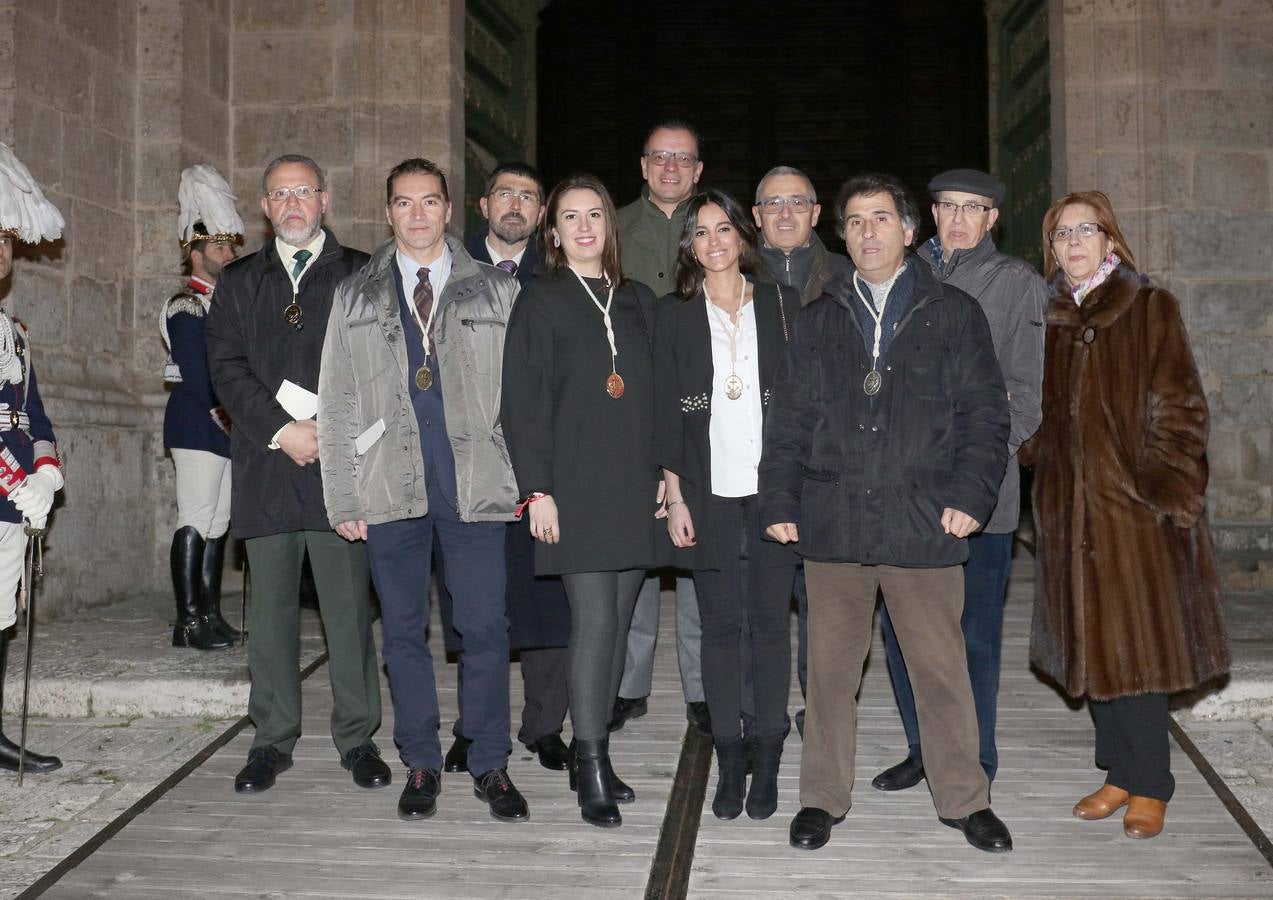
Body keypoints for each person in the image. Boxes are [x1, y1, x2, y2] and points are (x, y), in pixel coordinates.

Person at [760, 173, 1013, 854]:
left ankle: (965, 800)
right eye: (855, 221)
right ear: (841, 234)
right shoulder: (818, 317)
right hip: (834, 521)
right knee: (828, 673)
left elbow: (986, 416)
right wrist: (780, 499)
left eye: (881, 219)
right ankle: (820, 799)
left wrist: (970, 496)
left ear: (909, 231)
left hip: (922, 520)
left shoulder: (953, 312)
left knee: (941, 671)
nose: (867, 231)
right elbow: (788, 417)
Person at [318, 157, 528, 823]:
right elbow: (337, 399)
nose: (416, 215)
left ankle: (490, 760)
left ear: (447, 209)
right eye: (403, 203)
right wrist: (342, 497)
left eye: (429, 202)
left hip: (474, 486)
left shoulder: (495, 291)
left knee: (485, 627)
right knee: (403, 630)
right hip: (389, 488)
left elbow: (522, 394)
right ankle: (419, 759)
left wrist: (530, 480)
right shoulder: (356, 294)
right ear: (387, 213)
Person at [1023, 191, 1229, 839]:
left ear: (1110, 241)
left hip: (1133, 515)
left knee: (1135, 653)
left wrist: (1158, 492)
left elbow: (1181, 410)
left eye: (1087, 230)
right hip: (1070, 515)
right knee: (1093, 649)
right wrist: (1038, 457)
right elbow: (1051, 413)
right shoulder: (1058, 316)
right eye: (1062, 235)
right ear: (1051, 250)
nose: (1074, 242)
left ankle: (1151, 785)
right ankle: (1115, 772)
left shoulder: (1147, 307)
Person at [206, 153, 387, 795]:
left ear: (325, 199)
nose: (291, 205)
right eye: (279, 195)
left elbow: (378, 369)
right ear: (264, 207)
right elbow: (225, 367)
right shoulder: (237, 281)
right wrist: (285, 431)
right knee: (272, 617)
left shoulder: (363, 273)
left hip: (341, 472)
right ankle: (271, 739)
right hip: (267, 464)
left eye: (302, 192)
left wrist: (331, 436)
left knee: (346, 613)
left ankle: (358, 738)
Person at [874, 168, 1045, 793]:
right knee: (900, 630)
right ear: (932, 212)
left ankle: (973, 760)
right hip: (904, 492)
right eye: (947, 206)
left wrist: (978, 472)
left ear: (993, 218)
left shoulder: (1015, 283)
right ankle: (923, 747)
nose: (959, 219)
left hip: (981, 497)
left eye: (973, 209)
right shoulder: (904, 271)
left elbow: (1027, 396)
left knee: (972, 636)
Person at [502, 173, 662, 828]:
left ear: (609, 225)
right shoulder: (538, 300)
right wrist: (535, 490)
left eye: (594, 214)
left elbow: (652, 399)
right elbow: (522, 405)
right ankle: (587, 763)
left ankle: (599, 752)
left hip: (632, 486)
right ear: (554, 231)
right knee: (593, 626)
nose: (584, 227)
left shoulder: (638, 301)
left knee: (618, 627)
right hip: (571, 491)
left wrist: (666, 476)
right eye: (570, 217)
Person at [654, 189, 798, 821]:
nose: (713, 241)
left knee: (769, 627)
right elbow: (665, 414)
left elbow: (800, 410)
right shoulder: (675, 314)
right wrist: (676, 494)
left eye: (724, 229)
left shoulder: (782, 305)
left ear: (744, 235)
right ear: (690, 246)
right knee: (718, 630)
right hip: (707, 494)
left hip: (771, 494)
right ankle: (730, 757)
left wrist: (794, 493)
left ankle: (767, 752)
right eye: (701, 232)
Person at [438, 161, 570, 776]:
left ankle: (545, 725)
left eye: (529, 196)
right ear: (482, 205)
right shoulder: (445, 271)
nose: (516, 204)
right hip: (470, 462)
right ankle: (475, 725)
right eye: (505, 195)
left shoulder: (562, 275)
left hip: (542, 458)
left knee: (547, 594)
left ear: (542, 213)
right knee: (475, 600)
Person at [615, 119, 709, 736]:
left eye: (684, 158)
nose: (671, 167)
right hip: (627, 409)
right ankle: (628, 684)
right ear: (643, 166)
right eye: (660, 157)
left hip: (704, 409)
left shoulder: (720, 228)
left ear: (699, 170)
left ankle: (703, 687)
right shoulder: (612, 227)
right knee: (636, 552)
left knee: (700, 547)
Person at [751, 165, 852, 738]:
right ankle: (757, 712)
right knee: (758, 602)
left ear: (816, 213)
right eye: (772, 204)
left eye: (797, 202)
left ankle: (824, 712)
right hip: (752, 463)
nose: (785, 214)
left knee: (826, 604)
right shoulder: (730, 274)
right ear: (756, 216)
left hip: (829, 466)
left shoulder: (846, 275)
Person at [0, 143, 67, 775]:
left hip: (15, 498)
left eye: (6, 240)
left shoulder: (12, 332)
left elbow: (33, 414)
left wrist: (47, 471)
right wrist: (17, 480)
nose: (1, 252)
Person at [161, 164, 243, 652]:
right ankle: (187, 621)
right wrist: (235, 415)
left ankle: (210, 615)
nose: (228, 253)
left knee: (218, 522)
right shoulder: (185, 305)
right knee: (194, 518)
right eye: (218, 246)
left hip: (225, 429)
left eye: (231, 245)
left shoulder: (225, 303)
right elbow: (200, 375)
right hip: (197, 424)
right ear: (195, 252)